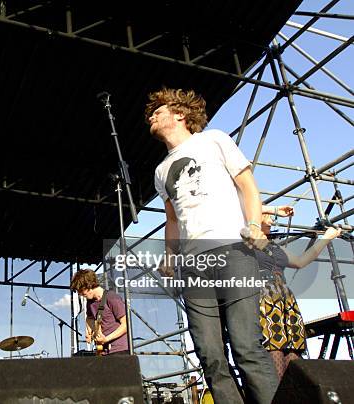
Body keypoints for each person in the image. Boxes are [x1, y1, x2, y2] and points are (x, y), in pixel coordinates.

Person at [146, 88, 278, 403]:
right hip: (192, 266)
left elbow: (247, 185)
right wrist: (169, 256)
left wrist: (256, 225)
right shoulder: (161, 171)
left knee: (246, 345)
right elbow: (173, 220)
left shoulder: (215, 139)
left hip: (232, 249)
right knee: (209, 353)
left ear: (179, 114)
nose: (151, 115)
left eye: (158, 110)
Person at [257, 208, 342, 379]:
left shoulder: (274, 246)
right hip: (263, 298)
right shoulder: (246, 240)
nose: (271, 220)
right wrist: (274, 210)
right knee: (274, 349)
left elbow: (301, 261)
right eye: (267, 216)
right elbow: (244, 208)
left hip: (284, 299)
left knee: (293, 352)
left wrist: (326, 238)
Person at [70, 269, 128, 355]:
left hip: (119, 350)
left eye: (81, 291)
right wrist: (89, 331)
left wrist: (106, 339)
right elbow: (89, 318)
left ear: (89, 286)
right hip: (102, 351)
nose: (80, 294)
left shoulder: (112, 297)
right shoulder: (90, 302)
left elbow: (126, 325)